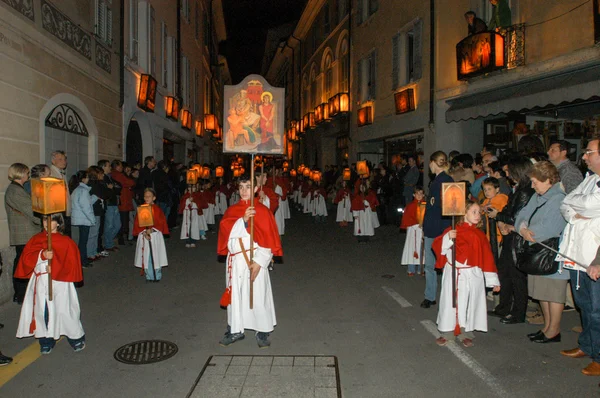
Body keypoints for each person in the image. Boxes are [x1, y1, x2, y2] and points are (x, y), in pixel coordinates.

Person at [217, 175, 282, 348]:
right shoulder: (232, 210)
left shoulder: (262, 210)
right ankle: (235, 329)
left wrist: (260, 262)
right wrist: (243, 220)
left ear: (255, 189)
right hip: (237, 260)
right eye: (241, 187)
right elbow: (226, 233)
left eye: (248, 186)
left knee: (258, 296)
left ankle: (262, 331)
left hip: (254, 259)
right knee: (236, 296)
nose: (244, 190)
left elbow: (268, 239)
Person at [558, 136, 600, 375]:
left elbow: (591, 204)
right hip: (577, 254)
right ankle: (587, 345)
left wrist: (578, 204)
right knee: (584, 305)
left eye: (589, 152)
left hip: (594, 257)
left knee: (597, 309)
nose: (584, 157)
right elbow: (566, 203)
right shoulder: (589, 179)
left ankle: (599, 355)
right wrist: (575, 213)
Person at [15, 213, 86, 354]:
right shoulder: (36, 239)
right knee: (43, 312)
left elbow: (70, 262)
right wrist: (42, 256)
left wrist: (57, 266)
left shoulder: (66, 242)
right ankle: (46, 340)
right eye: (44, 220)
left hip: (60, 283)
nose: (47, 223)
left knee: (65, 310)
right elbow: (27, 259)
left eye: (51, 220)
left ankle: (75, 338)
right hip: (41, 283)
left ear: (59, 223)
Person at [433, 202, 500, 347]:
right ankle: (448, 331)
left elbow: (487, 257)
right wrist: (448, 238)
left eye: (479, 212)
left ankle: (465, 331)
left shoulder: (479, 235)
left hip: (472, 274)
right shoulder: (453, 230)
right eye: (474, 212)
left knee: (469, 303)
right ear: (464, 214)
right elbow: (439, 247)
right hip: (454, 272)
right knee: (451, 303)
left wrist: (493, 279)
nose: (478, 215)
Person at [512, 161, 566, 343]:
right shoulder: (539, 195)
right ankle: (547, 327)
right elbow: (522, 213)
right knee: (543, 292)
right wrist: (522, 228)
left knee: (553, 293)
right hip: (537, 249)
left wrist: (527, 233)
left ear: (549, 180)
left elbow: (550, 227)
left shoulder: (558, 198)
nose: (533, 186)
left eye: (536, 182)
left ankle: (554, 330)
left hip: (551, 252)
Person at [487, 157, 535, 324]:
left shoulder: (525, 190)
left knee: (516, 276)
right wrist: (501, 218)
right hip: (510, 235)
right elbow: (509, 209)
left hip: (516, 237)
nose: (506, 174)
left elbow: (516, 215)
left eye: (508, 171)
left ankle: (517, 312)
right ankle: (503, 307)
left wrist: (498, 216)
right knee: (504, 272)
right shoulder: (519, 188)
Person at [5, 163, 42, 304]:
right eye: (26, 172)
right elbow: (30, 210)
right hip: (23, 233)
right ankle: (21, 295)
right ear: (20, 174)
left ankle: (23, 293)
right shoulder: (15, 191)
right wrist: (43, 221)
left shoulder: (17, 189)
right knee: (23, 264)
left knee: (24, 262)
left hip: (25, 232)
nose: (28, 175)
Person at [421, 151, 454, 309]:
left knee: (443, 265)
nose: (429, 166)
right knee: (430, 265)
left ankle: (444, 296)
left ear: (434, 162)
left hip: (441, 229)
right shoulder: (436, 181)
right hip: (433, 228)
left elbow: (448, 209)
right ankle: (430, 295)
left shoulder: (446, 181)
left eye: (430, 162)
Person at [132, 188, 169, 282]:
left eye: (149, 196)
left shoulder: (157, 209)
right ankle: (149, 276)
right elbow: (137, 223)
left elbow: (161, 222)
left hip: (155, 236)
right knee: (146, 256)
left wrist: (152, 230)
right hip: (144, 236)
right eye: (145, 196)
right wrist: (144, 232)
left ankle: (157, 275)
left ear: (154, 198)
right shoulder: (142, 208)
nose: (147, 198)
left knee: (156, 255)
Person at [69, 170, 97, 269]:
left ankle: (82, 259)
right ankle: (82, 261)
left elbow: (84, 203)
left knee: (81, 241)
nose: (88, 179)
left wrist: (94, 198)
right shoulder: (83, 190)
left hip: (78, 218)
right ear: (83, 179)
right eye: (87, 177)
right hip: (83, 219)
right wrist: (92, 219)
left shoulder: (77, 189)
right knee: (83, 241)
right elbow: (86, 207)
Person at [480, 177, 509, 262]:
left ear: (497, 189)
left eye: (489, 189)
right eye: (485, 190)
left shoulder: (502, 198)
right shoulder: (486, 201)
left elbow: (501, 210)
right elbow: (480, 208)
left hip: (500, 234)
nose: (486, 192)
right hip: (490, 235)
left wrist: (490, 208)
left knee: (499, 258)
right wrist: (482, 208)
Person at [400, 187, 425, 276]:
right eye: (417, 193)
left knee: (422, 249)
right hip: (412, 230)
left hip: (421, 230)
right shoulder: (410, 206)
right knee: (412, 248)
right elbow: (407, 218)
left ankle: (421, 268)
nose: (419, 195)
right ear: (414, 195)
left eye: (421, 193)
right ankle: (411, 269)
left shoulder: (425, 205)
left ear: (423, 195)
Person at [110, 160, 136, 246]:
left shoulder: (114, 174)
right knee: (124, 222)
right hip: (124, 201)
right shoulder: (118, 174)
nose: (122, 168)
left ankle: (121, 239)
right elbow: (129, 182)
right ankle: (122, 240)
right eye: (120, 166)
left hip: (123, 201)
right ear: (116, 166)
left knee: (122, 221)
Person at [98, 160, 121, 252]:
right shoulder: (103, 178)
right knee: (110, 225)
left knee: (117, 225)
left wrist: (113, 188)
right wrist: (113, 188)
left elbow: (118, 187)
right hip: (109, 203)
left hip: (114, 203)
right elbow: (108, 191)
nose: (110, 167)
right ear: (103, 167)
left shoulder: (109, 177)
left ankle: (109, 242)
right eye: (108, 166)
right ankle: (108, 244)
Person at [49, 151, 71, 235]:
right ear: (53, 161)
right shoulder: (51, 173)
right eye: (60, 159)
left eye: (64, 159)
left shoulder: (61, 172)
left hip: (65, 210)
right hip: (58, 211)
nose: (64, 161)